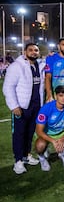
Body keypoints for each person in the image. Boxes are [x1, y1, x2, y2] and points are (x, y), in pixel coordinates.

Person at [3, 43, 45, 174]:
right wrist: (14, 105)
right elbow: (8, 87)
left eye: (36, 50)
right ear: (25, 51)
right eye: (31, 50)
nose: (34, 52)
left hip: (36, 106)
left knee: (30, 132)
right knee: (19, 134)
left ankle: (26, 156)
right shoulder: (17, 66)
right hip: (21, 106)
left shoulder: (40, 65)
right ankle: (18, 161)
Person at [34, 85, 64, 171]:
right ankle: (42, 158)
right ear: (55, 96)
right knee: (40, 146)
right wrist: (53, 141)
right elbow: (39, 131)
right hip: (48, 134)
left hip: (62, 132)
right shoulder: (46, 108)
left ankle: (63, 153)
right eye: (61, 95)